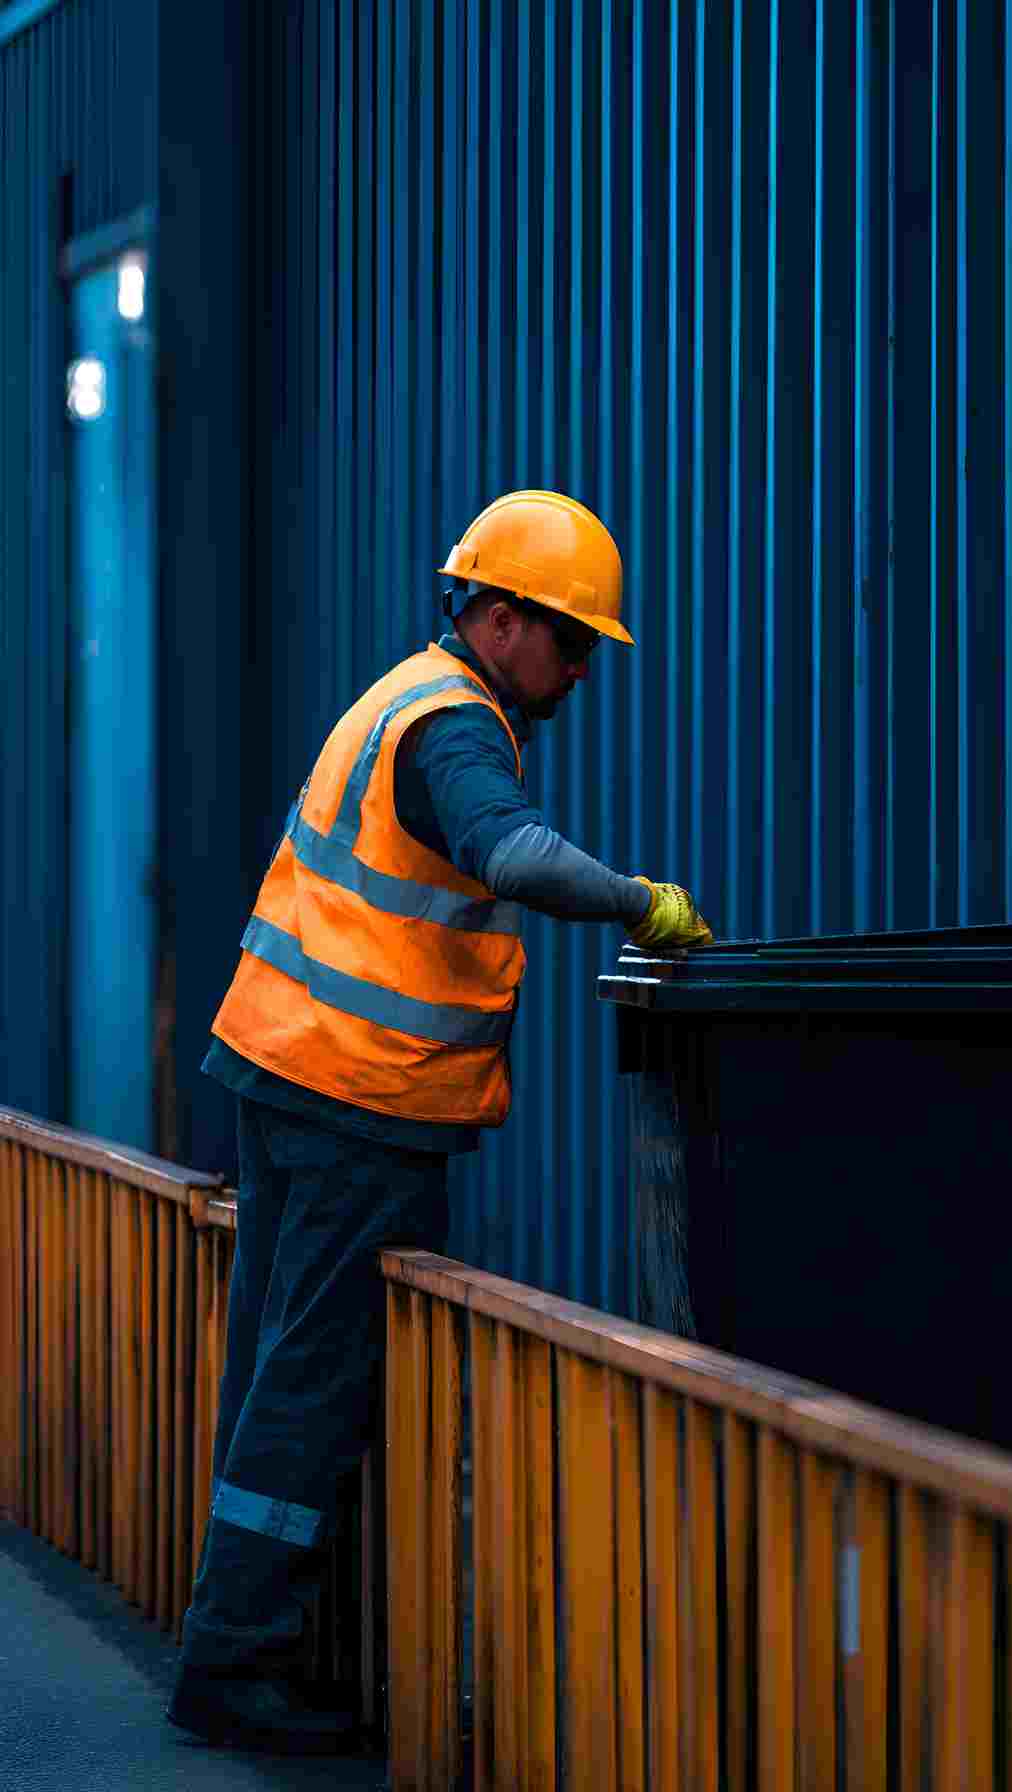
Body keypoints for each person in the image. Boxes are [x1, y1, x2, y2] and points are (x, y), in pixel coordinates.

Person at [165, 489, 712, 1755]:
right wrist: (643, 901)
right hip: (360, 1100)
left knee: (272, 1370)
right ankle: (235, 1666)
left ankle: (234, 1640)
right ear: (504, 618)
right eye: (572, 641)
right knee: (311, 1383)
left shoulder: (401, 692)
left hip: (287, 1075)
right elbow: (512, 857)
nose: (579, 671)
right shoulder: (455, 729)